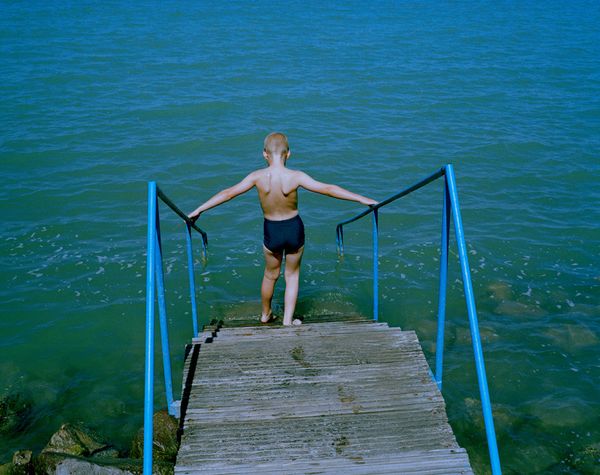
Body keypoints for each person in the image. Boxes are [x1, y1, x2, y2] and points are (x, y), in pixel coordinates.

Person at [188, 132, 377, 326]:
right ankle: (287, 320)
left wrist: (199, 209)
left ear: (264, 154)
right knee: (292, 275)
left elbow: (228, 193)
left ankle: (265, 314)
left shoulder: (257, 177)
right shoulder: (296, 176)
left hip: (272, 230)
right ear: (289, 154)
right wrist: (362, 199)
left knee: (270, 275)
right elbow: (328, 189)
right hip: (294, 228)